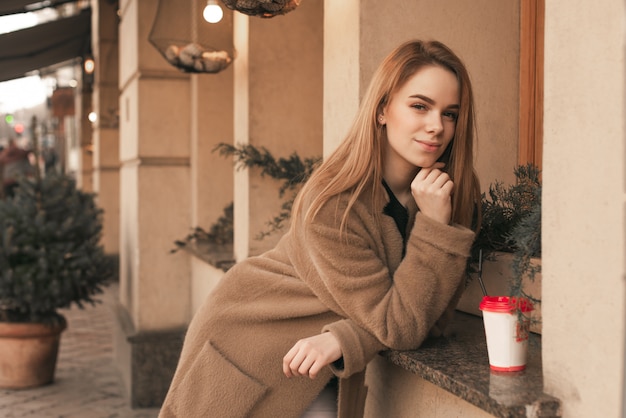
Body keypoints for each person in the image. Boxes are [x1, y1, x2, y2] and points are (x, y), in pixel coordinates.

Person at [159, 39, 481, 418]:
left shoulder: (447, 198)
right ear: (382, 109)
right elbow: (399, 325)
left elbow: (429, 318)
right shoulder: (333, 204)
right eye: (419, 106)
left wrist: (345, 339)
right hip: (252, 342)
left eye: (450, 114)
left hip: (316, 361)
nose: (436, 127)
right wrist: (352, 335)